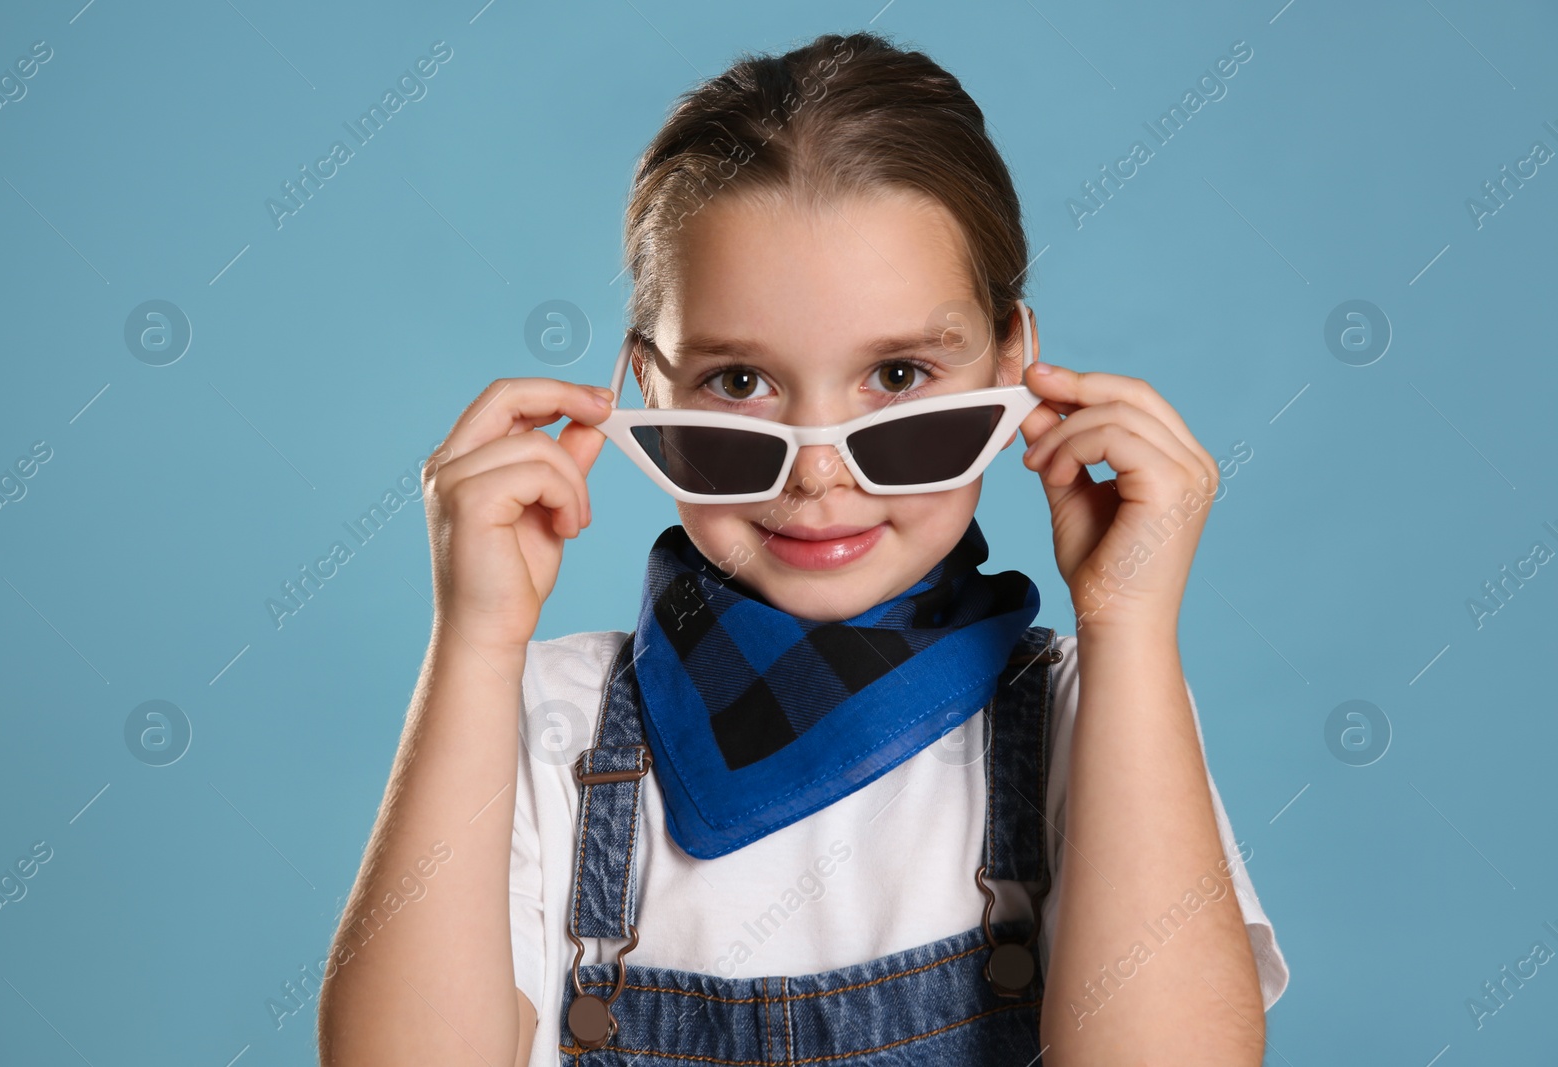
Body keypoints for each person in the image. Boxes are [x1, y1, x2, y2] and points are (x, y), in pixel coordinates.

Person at [318, 29, 1289, 1067]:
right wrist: (473, 642)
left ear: (1013, 364)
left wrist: (1130, 626)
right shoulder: (540, 723)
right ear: (650, 386)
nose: (819, 475)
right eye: (739, 382)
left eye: (900, 376)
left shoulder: (1089, 711)